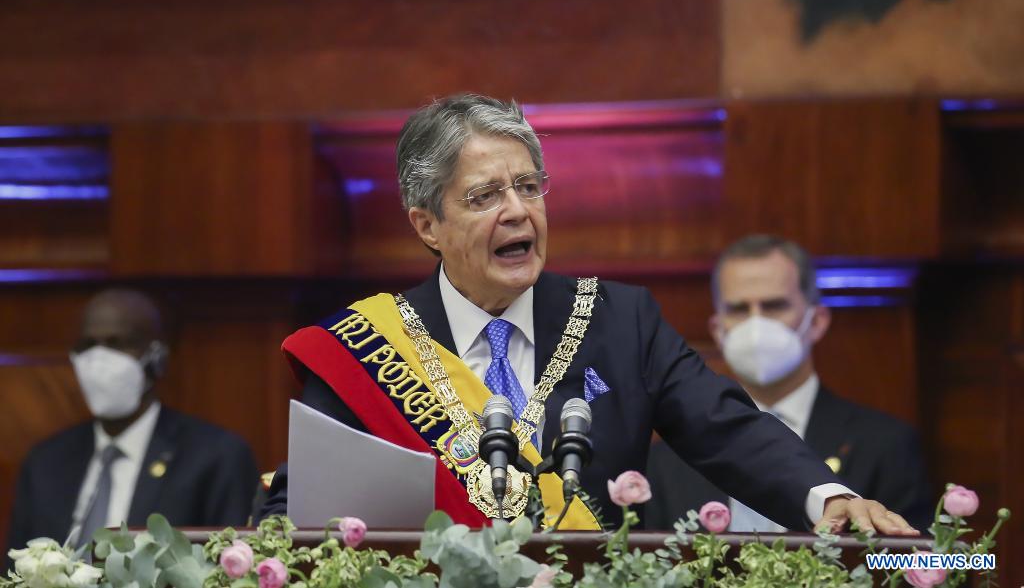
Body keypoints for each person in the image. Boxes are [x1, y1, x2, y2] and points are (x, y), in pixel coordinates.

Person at [260, 94, 918, 535]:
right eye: (486, 195)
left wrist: (825, 497)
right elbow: (301, 505)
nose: (518, 211)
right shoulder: (367, 348)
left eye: (527, 186)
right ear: (427, 223)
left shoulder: (619, 319)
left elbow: (728, 427)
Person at [646, 235, 932, 531]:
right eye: (739, 310)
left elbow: (909, 564)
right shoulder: (666, 459)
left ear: (817, 321)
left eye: (773, 306)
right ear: (718, 330)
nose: (756, 325)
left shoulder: (885, 445)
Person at [7, 289, 259, 555]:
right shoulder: (46, 462)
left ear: (158, 358)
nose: (99, 360)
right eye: (88, 345)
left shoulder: (215, 457)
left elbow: (232, 568)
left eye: (116, 344)